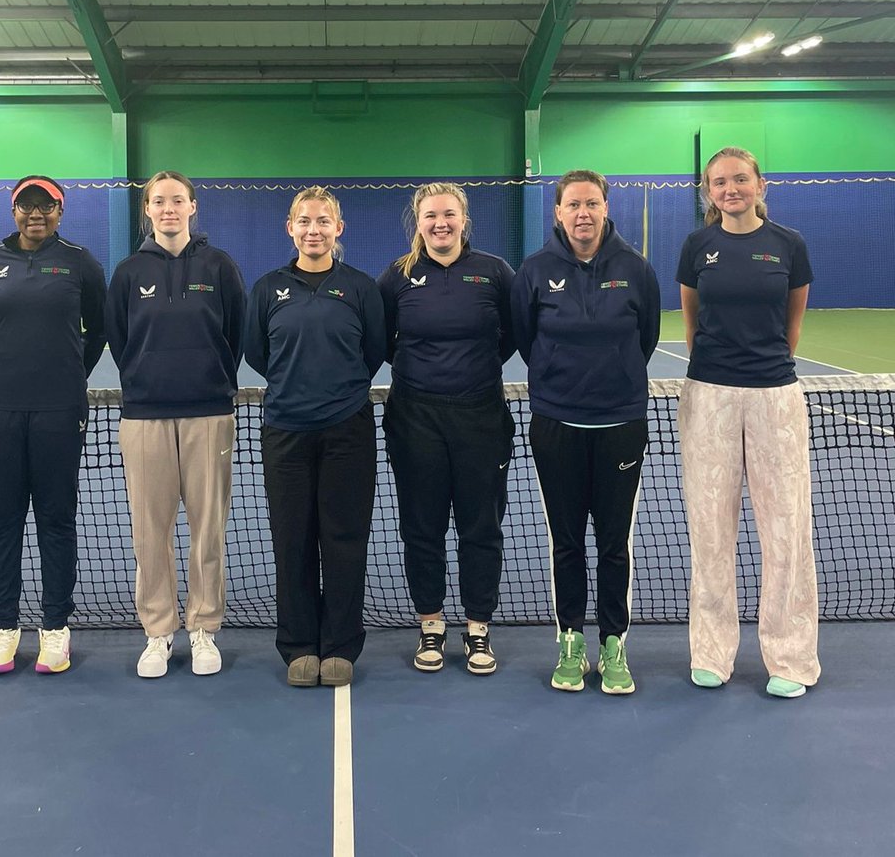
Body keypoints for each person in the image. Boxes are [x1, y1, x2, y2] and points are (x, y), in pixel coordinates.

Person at [677, 146, 820, 699]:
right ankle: (712, 652)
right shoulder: (697, 246)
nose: (730, 189)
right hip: (708, 396)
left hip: (775, 399)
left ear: (761, 184)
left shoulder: (789, 245)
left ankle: (790, 657)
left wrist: (763, 370)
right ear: (708, 192)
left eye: (740, 179)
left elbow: (793, 321)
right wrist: (717, 372)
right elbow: (693, 322)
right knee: (711, 531)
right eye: (719, 182)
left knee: (786, 531)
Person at [511, 170, 659, 695]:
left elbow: (646, 338)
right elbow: (526, 339)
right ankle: (571, 639)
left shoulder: (636, 270)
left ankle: (614, 641)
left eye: (591, 204)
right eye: (573, 205)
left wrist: (612, 382)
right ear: (557, 212)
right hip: (556, 425)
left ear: (604, 208)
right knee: (567, 541)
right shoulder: (533, 272)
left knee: (614, 542)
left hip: (620, 425)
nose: (583, 214)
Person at [0, 175, 107, 675]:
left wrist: (68, 374)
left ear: (60, 211)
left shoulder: (80, 262)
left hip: (59, 410)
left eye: (46, 205)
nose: (36, 213)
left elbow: (100, 328)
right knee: (3, 521)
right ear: (13, 211)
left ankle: (55, 629)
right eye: (27, 205)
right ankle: (3, 628)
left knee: (55, 518)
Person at [106, 171, 246, 678]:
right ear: (148, 209)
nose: (169, 209)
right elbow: (119, 339)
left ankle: (204, 627)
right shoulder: (127, 272)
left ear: (193, 207)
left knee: (208, 530)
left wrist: (210, 381)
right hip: (144, 417)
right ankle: (159, 632)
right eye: (159, 201)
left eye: (177, 201)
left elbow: (236, 330)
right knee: (150, 533)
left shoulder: (218, 265)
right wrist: (147, 380)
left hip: (209, 413)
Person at [244, 186, 384, 688]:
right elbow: (258, 354)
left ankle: (342, 644)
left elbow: (373, 352)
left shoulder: (361, 288)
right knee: (293, 539)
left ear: (338, 229)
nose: (314, 229)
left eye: (324, 221)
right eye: (304, 221)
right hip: (285, 431)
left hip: (348, 429)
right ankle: (299, 645)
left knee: (344, 539)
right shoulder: (267, 288)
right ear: (291, 228)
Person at [376, 182, 515, 675]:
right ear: (418, 221)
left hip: (481, 419)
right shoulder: (397, 277)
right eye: (431, 215)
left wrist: (471, 375)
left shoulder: (495, 272)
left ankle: (478, 628)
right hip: (415, 421)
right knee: (423, 529)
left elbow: (513, 336)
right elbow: (382, 340)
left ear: (464, 218)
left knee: (481, 528)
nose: (441, 223)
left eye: (449, 214)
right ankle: (430, 625)